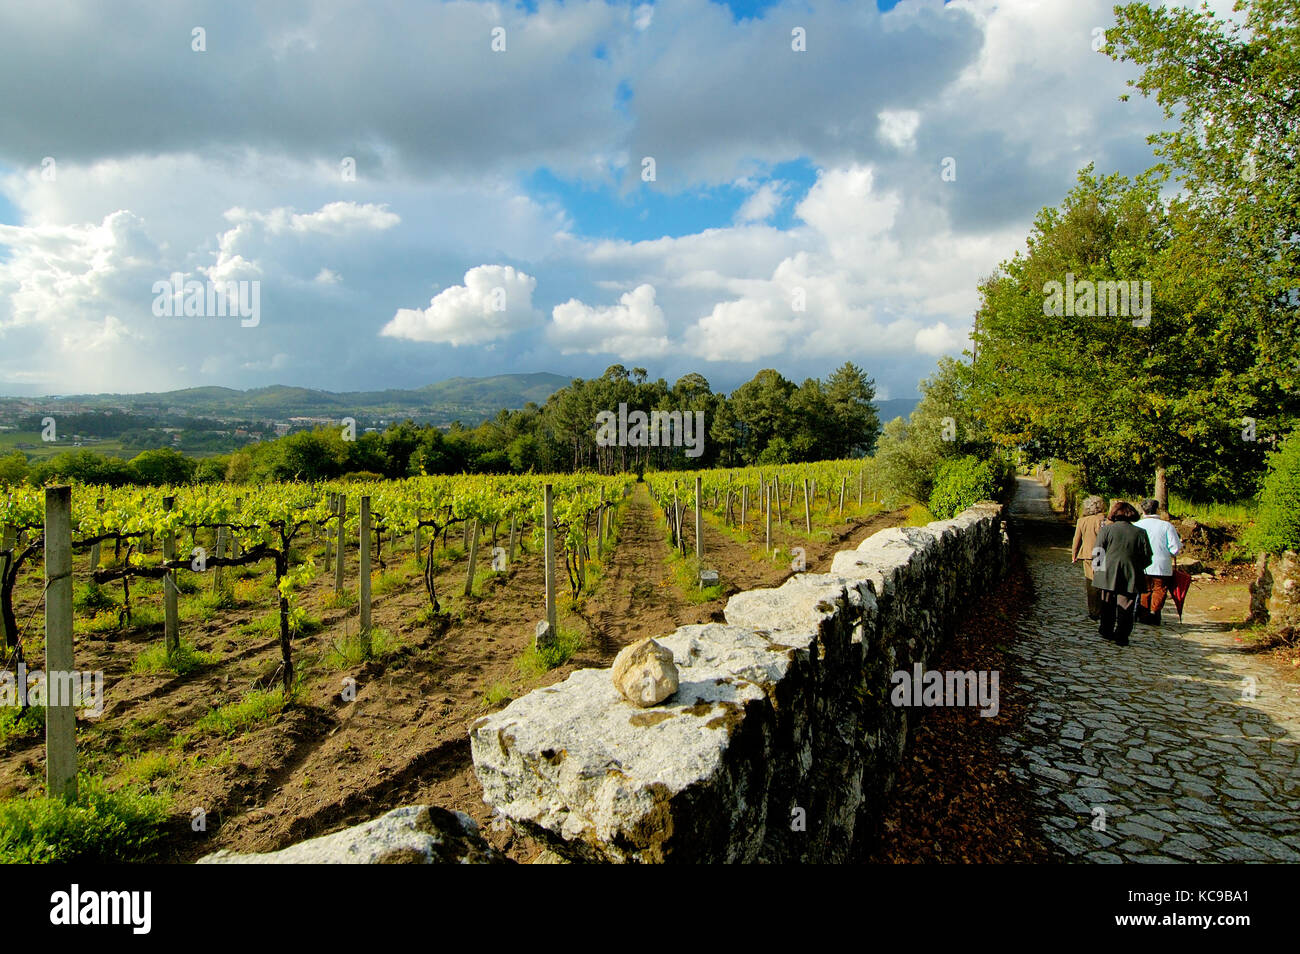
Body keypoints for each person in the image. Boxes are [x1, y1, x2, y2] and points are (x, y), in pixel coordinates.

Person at [1092, 500, 1152, 647]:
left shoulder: (1106, 530)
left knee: (1107, 604)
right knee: (1127, 606)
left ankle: (1106, 630)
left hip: (1107, 573)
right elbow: (1147, 556)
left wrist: (1097, 570)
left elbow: (1098, 551)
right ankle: (1122, 636)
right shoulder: (1140, 533)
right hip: (1130, 574)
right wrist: (1136, 567)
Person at [1135, 499, 1182, 625]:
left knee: (1144, 589)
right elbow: (1175, 548)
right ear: (1157, 510)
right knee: (1159, 589)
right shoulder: (1166, 526)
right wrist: (1168, 553)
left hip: (1141, 563)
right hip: (1161, 564)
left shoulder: (1137, 525)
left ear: (1142, 510)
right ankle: (1154, 613)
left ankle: (1144, 614)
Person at [1071, 496, 1107, 620]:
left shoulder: (1082, 521)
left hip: (1087, 554)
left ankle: (1093, 610)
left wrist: (1074, 554)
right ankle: (1103, 608)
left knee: (1091, 583)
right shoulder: (1105, 520)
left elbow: (1077, 539)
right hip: (1102, 554)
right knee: (1102, 581)